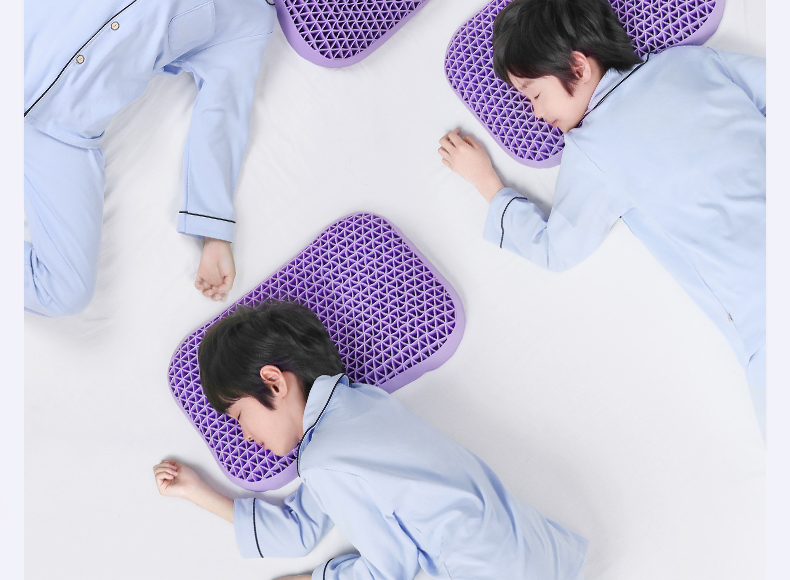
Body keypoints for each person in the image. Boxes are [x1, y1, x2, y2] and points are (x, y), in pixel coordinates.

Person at [438, 0, 766, 438]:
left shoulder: (591, 149)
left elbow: (556, 249)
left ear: (578, 66)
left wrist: (486, 183)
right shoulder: (691, 63)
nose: (535, 114)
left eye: (534, 95)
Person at [153, 301, 588, 580]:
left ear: (274, 382)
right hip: (537, 548)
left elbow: (390, 570)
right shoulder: (361, 406)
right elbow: (299, 529)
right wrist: (196, 491)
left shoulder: (324, 461)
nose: (246, 436)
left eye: (239, 416)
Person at [24, 0, 277, 317]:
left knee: (65, 291)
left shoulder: (250, 19)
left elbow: (222, 120)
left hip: (64, 132)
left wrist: (214, 233)